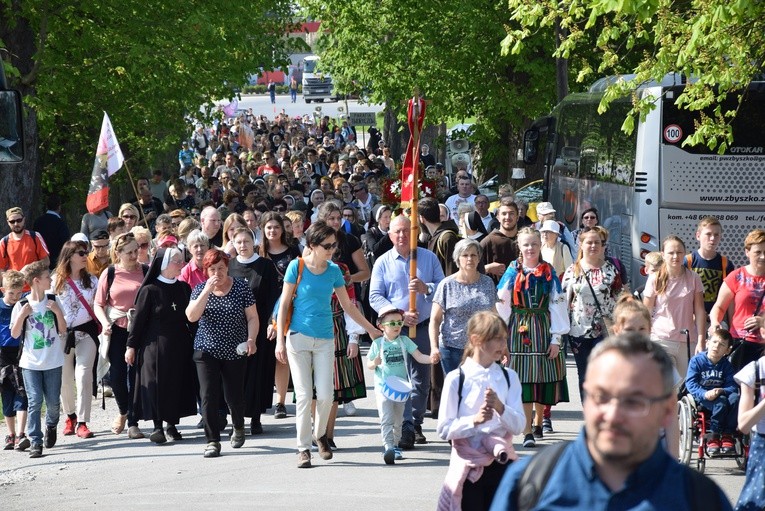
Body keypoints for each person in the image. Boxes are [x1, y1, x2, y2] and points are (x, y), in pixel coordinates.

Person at [489, 333, 732, 511]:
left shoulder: (700, 499)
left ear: (667, 411)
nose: (614, 414)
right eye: (601, 396)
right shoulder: (530, 483)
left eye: (634, 401)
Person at [274, 221, 381, 469]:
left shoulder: (334, 271)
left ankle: (320, 434)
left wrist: (371, 329)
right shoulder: (296, 266)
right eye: (327, 245)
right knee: (303, 395)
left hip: (325, 338)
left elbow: (348, 306)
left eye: (334, 245)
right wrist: (280, 339)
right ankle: (303, 449)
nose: (332, 249)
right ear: (312, 245)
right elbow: (284, 305)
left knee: (326, 395)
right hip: (298, 337)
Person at [369, 215, 445, 449]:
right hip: (395, 332)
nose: (402, 236)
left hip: (422, 327)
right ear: (389, 235)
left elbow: (442, 288)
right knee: (399, 378)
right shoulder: (382, 262)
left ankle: (416, 421)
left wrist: (426, 288)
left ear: (414, 233)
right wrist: (397, 314)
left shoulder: (428, 258)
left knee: (421, 380)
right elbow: (375, 296)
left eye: (406, 231)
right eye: (397, 232)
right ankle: (405, 426)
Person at [437, 311, 525, 511]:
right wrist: (474, 421)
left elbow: (520, 425)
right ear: (475, 339)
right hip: (469, 468)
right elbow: (444, 429)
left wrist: (501, 409)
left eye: (504, 338)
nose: (503, 345)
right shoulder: (456, 378)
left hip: (502, 463)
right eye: (497, 339)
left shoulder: (509, 377)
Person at [496, 227, 569, 448]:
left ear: (540, 245)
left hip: (543, 326)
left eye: (534, 244)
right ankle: (527, 430)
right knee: (525, 380)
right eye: (526, 244)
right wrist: (502, 336)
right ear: (519, 246)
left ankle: (539, 420)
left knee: (542, 378)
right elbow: (502, 302)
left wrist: (556, 338)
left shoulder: (548, 272)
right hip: (519, 328)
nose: (530, 248)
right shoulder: (512, 271)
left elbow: (558, 304)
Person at [186, 248, 259, 458]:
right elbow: (191, 316)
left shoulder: (241, 288)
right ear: (206, 271)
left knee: (234, 396)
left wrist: (251, 339)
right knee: (208, 395)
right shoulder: (200, 289)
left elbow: (253, 317)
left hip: (235, 349)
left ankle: (238, 426)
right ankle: (212, 440)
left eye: (221, 268)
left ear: (228, 268)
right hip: (206, 349)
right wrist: (206, 291)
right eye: (212, 269)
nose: (217, 273)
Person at [126, 247, 196, 444]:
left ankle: (172, 425)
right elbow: (138, 321)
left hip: (180, 344)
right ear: (164, 264)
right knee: (157, 384)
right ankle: (157, 426)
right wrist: (131, 346)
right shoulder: (149, 290)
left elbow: (191, 319)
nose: (181, 264)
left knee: (176, 383)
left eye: (182, 260)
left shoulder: (184, 288)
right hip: (154, 347)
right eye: (176, 261)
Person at [315, 201, 370, 432]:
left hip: (343, 306)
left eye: (339, 218)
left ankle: (328, 430)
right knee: (313, 382)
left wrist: (344, 280)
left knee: (339, 371)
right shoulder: (313, 243)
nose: (337, 222)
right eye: (332, 219)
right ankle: (315, 429)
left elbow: (365, 272)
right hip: (315, 315)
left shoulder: (350, 241)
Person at [94, 232, 147, 440]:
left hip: (140, 329)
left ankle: (133, 422)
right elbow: (98, 304)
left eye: (137, 250)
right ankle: (123, 411)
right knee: (116, 377)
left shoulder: (145, 270)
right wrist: (105, 322)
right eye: (130, 252)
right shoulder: (110, 273)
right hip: (117, 328)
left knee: (135, 376)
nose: (135, 255)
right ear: (118, 253)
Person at [11, 261, 67, 458]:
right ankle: (35, 440)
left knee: (52, 403)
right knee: (35, 401)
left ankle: (51, 425)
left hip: (53, 361)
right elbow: (15, 334)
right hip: (30, 363)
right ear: (36, 281)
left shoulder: (53, 300)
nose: (50, 279)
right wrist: (22, 316)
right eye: (47, 277)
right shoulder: (21, 305)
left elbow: (62, 329)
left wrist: (57, 312)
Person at [228, 227, 280, 435]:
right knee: (236, 374)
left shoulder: (266, 266)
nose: (242, 246)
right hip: (234, 328)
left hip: (260, 327)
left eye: (246, 241)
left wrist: (272, 322)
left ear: (254, 242)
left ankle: (256, 417)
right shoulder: (229, 266)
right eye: (238, 242)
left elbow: (274, 298)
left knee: (258, 374)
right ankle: (236, 418)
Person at [367, 306, 435, 464]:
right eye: (391, 323)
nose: (396, 325)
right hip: (383, 387)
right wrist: (374, 362)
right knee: (386, 418)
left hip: (401, 388)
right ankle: (388, 446)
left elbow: (419, 357)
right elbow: (370, 364)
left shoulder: (405, 341)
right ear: (381, 326)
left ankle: (396, 444)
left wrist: (432, 359)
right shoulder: (378, 344)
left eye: (399, 322)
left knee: (399, 420)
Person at [561, 226, 623, 397]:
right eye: (589, 242)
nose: (593, 246)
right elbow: (564, 300)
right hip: (578, 331)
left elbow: (620, 299)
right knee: (585, 375)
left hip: (605, 330)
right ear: (581, 245)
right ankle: (589, 413)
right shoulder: (573, 271)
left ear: (603, 246)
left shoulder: (611, 270)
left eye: (597, 242)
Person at [52, 240, 100, 440]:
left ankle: (82, 421)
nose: (85, 256)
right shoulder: (55, 280)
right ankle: (70, 416)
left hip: (87, 332)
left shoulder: (92, 280)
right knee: (64, 379)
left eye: (86, 252)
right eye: (81, 253)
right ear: (69, 256)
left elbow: (99, 305)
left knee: (83, 375)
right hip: (61, 334)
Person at [430, 239, 498, 374]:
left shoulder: (487, 282)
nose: (469, 259)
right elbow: (435, 319)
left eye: (473, 255)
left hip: (481, 348)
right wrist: (434, 347)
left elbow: (494, 317)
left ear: (479, 258)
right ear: (457, 258)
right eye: (465, 255)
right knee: (457, 391)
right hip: (452, 349)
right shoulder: (447, 284)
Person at [259, 212, 301, 420]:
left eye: (276, 227)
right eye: (268, 227)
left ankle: (281, 402)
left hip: (289, 306)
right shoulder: (259, 252)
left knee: (281, 358)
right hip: (262, 307)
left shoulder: (293, 251)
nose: (273, 231)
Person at [643, 235, 705, 376]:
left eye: (679, 252)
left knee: (684, 384)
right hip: (661, 338)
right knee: (665, 383)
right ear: (663, 255)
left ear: (684, 253)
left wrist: (701, 338)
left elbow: (700, 310)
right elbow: (645, 312)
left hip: (687, 339)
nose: (675, 256)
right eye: (671, 253)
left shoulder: (694, 278)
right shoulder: (655, 279)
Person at [709, 228, 765, 371]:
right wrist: (715, 322)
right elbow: (719, 307)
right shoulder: (736, 276)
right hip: (741, 343)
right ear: (747, 252)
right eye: (758, 252)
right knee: (737, 389)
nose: (763, 257)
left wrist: (762, 321)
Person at [685, 328, 738, 455]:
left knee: (735, 398)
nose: (716, 346)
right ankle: (714, 435)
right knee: (721, 402)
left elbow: (732, 386)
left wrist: (721, 390)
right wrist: (704, 393)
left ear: (727, 350)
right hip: (702, 397)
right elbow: (690, 383)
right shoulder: (697, 361)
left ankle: (728, 434)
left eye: (722, 345)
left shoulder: (727, 365)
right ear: (708, 343)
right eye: (714, 342)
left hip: (720, 395)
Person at [0, 270, 29, 451]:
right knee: (7, 393)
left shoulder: (24, 305)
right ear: (3, 290)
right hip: (2, 353)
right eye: (11, 293)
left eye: (19, 293)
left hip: (21, 351)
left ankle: (21, 433)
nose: (15, 297)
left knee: (22, 391)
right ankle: (10, 434)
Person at [685, 216, 736, 315]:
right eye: (708, 234)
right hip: (691, 317)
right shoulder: (688, 261)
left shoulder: (726, 264)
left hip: (716, 317)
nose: (712, 238)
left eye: (716, 235)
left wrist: (731, 326)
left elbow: (730, 298)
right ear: (698, 236)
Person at [480, 197, 519, 285]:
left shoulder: (524, 240)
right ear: (498, 217)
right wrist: (488, 268)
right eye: (504, 214)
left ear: (517, 216)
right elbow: (470, 270)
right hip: (496, 295)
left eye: (511, 213)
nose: (507, 217)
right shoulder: (488, 242)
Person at [0, 207, 50, 275]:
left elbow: (46, 261)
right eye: (12, 221)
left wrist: (29, 268)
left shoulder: (35, 236)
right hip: (14, 284)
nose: (16, 224)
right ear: (8, 222)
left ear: (24, 219)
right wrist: (10, 279)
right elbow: (1, 269)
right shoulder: (3, 242)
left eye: (19, 220)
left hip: (33, 284)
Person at [33, 194, 70, 269]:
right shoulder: (60, 223)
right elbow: (65, 243)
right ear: (59, 207)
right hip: (57, 262)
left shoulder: (38, 221)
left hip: (40, 262)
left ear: (47, 206)